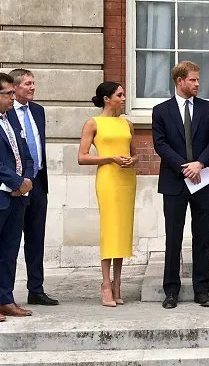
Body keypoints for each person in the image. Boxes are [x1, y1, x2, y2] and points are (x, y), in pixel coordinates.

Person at [152, 61, 209, 309]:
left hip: (203, 180)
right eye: (193, 80)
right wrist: (185, 166)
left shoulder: (208, 108)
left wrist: (200, 163)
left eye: (197, 80)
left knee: (202, 237)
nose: (197, 84)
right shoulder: (161, 111)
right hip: (174, 182)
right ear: (180, 81)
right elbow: (160, 144)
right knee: (174, 237)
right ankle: (171, 290)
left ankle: (202, 290)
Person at [77, 82, 137, 307]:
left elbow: (134, 154)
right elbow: (82, 157)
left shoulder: (127, 124)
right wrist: (109, 158)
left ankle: (118, 283)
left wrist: (133, 160)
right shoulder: (93, 123)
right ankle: (105, 284)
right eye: (119, 95)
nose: (123, 98)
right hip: (108, 180)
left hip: (127, 179)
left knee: (122, 231)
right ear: (106, 98)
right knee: (109, 230)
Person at [7, 69, 58, 306]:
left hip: (37, 182)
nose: (33, 87)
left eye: (33, 83)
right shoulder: (6, 114)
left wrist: (35, 177)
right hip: (13, 186)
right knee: (11, 239)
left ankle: (36, 289)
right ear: (15, 88)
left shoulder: (38, 111)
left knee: (36, 238)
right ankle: (5, 293)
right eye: (28, 84)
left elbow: (37, 146)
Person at [0, 73, 34, 320]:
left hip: (18, 196)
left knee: (10, 251)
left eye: (13, 93)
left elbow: (24, 151)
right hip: (3, 193)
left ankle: (5, 299)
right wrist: (16, 182)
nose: (13, 98)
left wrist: (27, 180)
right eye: (8, 94)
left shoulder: (10, 119)